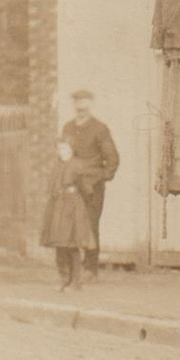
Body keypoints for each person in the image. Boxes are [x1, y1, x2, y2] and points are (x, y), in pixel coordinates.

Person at [61, 89, 119, 278]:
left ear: (91, 104)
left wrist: (98, 177)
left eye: (84, 103)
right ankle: (72, 268)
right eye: (77, 103)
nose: (80, 107)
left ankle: (90, 269)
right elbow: (63, 155)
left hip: (92, 187)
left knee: (90, 225)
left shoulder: (99, 129)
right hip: (71, 186)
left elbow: (112, 160)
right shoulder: (68, 127)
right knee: (69, 226)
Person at [41, 138, 98, 291]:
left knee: (72, 244)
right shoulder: (57, 166)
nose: (62, 152)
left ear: (71, 150)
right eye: (59, 149)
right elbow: (52, 187)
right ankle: (64, 278)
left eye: (65, 149)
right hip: (58, 207)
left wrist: (84, 205)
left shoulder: (78, 165)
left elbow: (86, 189)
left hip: (73, 207)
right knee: (60, 245)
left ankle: (75, 282)